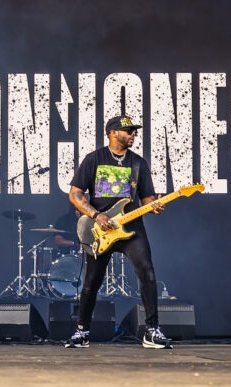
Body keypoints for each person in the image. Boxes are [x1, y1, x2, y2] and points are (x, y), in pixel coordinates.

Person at [65, 115, 171, 349]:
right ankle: (82, 331)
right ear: (112, 132)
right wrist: (96, 215)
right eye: (129, 130)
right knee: (92, 282)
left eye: (134, 131)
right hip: (101, 229)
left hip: (132, 228)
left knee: (147, 273)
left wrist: (155, 206)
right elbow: (75, 194)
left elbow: (147, 199)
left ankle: (152, 330)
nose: (134, 134)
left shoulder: (138, 163)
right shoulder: (94, 159)